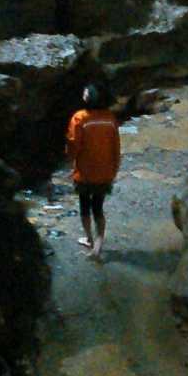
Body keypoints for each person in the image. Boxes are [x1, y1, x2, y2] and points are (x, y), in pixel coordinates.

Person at [65, 84, 121, 262]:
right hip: (105, 172)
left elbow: (74, 145)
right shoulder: (110, 119)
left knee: (84, 206)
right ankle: (98, 245)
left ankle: (89, 238)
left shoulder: (79, 118)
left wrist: (70, 161)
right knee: (98, 208)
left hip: (84, 172)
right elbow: (116, 147)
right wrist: (114, 169)